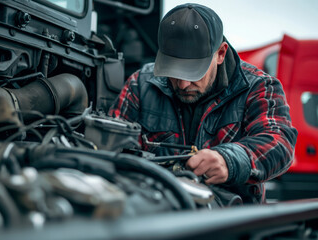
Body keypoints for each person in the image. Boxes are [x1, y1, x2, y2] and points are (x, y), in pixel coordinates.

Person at [108, 3, 297, 204]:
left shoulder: (258, 87)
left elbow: (280, 143)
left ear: (221, 54)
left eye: (193, 72)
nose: (182, 84)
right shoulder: (141, 84)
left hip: (230, 222)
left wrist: (230, 160)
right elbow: (112, 144)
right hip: (154, 209)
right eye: (174, 71)